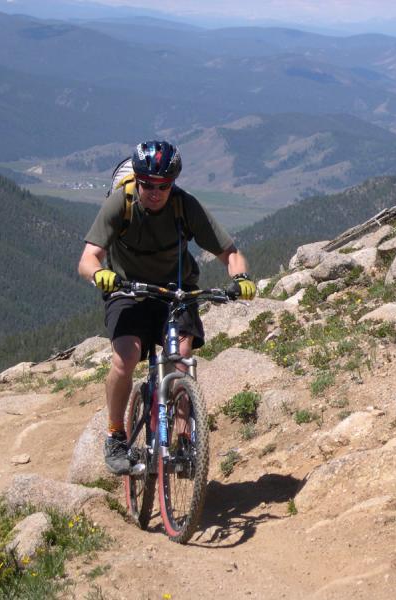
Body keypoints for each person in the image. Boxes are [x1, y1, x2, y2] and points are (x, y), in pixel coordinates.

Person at [78, 140, 256, 475]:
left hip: (177, 291)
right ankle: (116, 436)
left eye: (164, 186)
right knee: (126, 357)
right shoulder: (122, 203)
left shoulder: (184, 206)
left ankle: (184, 439)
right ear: (138, 181)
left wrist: (241, 276)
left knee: (181, 360)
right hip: (128, 290)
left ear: (172, 183)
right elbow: (87, 258)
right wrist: (100, 274)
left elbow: (229, 251)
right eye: (148, 184)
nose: (156, 192)